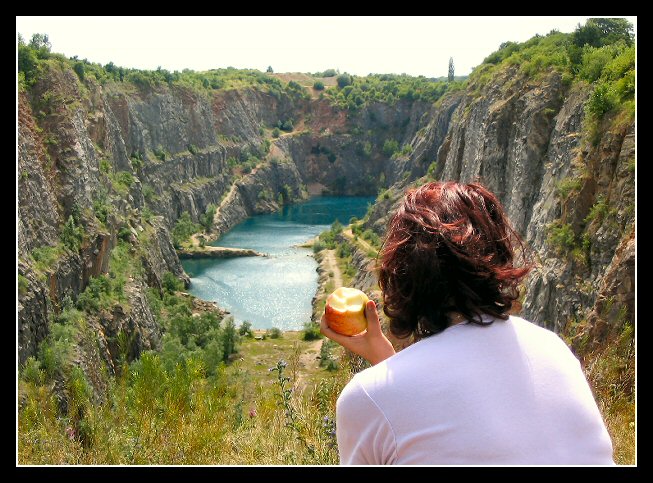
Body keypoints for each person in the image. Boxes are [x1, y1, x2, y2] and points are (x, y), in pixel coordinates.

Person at [320, 181, 614, 465]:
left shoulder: (366, 398)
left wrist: (383, 376)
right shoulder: (553, 348)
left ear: (402, 275)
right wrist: (385, 362)